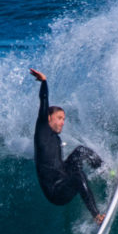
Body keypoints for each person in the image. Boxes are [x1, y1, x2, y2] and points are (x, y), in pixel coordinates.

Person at [29, 68, 104, 224]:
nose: (63, 122)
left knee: (81, 151)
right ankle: (96, 215)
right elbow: (43, 101)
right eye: (59, 118)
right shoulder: (42, 130)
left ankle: (108, 172)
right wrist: (44, 81)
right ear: (48, 118)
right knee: (79, 176)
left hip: (63, 175)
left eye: (64, 119)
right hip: (56, 191)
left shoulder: (55, 138)